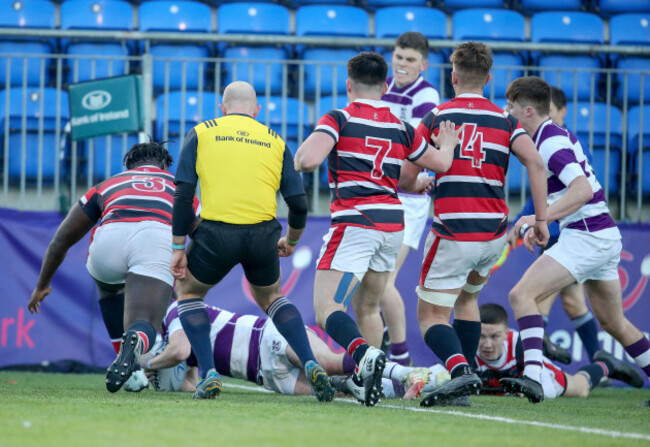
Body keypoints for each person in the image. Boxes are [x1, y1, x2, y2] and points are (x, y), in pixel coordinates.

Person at [294, 51, 461, 407]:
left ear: (348, 85)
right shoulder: (401, 126)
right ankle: (367, 381)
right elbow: (440, 163)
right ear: (385, 87)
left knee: (327, 308)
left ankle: (362, 355)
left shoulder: (339, 116)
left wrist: (303, 152)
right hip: (391, 223)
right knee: (368, 308)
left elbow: (306, 160)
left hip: (356, 221)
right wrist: (446, 144)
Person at [170, 81, 334, 402]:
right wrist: (292, 240)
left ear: (222, 108)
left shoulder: (202, 132)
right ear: (256, 111)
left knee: (188, 294)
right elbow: (299, 203)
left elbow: (183, 194)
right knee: (273, 297)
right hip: (263, 235)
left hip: (215, 233)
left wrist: (178, 247)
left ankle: (208, 374)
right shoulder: (274, 140)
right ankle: (311, 362)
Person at [415, 42, 550, 407]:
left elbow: (407, 173)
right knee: (468, 299)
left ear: (452, 76)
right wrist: (541, 220)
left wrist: (419, 182)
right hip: (492, 235)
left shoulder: (436, 116)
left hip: (453, 233)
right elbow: (537, 165)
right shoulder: (506, 121)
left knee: (430, 315)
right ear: (489, 79)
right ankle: (465, 379)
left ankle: (461, 373)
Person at [503, 76, 650, 403]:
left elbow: (582, 190)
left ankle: (533, 377)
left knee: (521, 295)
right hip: (599, 235)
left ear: (527, 111)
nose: (506, 111)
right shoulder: (550, 135)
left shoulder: (549, 142)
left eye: (510, 107)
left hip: (588, 236)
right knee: (613, 322)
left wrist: (540, 219)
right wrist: (543, 222)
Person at [28, 141, 196, 393]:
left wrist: (42, 285)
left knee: (108, 287)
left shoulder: (108, 184)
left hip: (109, 240)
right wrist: (185, 272)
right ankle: (135, 343)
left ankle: (129, 368)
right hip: (157, 236)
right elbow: (205, 234)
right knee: (145, 322)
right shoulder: (179, 188)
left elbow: (60, 241)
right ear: (164, 165)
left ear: (129, 164)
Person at [140, 301, 451, 401]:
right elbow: (189, 384)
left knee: (329, 363)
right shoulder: (170, 333)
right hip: (265, 376)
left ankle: (411, 372)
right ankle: (418, 385)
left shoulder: (177, 308)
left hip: (265, 338)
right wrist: (159, 378)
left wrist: (149, 363)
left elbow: (179, 351)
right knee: (339, 391)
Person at [505, 86, 601, 366]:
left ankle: (529, 363)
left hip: (570, 235)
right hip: (553, 233)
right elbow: (541, 197)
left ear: (559, 112)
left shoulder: (562, 143)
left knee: (536, 298)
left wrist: (538, 221)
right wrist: (522, 223)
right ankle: (600, 362)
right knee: (574, 303)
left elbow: (580, 191)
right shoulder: (540, 142)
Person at [379, 31, 441, 366]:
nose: (403, 65)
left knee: (384, 279)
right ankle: (383, 352)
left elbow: (416, 150)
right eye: (399, 57)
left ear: (424, 64)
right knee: (372, 279)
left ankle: (400, 360)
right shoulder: (384, 86)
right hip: (383, 190)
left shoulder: (427, 95)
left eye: (410, 60)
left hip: (409, 197)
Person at [475, 303, 644, 400]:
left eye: (494, 337)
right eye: (481, 336)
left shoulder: (521, 345)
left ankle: (607, 364)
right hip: (501, 385)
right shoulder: (466, 350)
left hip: (537, 373)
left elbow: (542, 389)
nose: (487, 344)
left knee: (581, 388)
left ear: (506, 333)